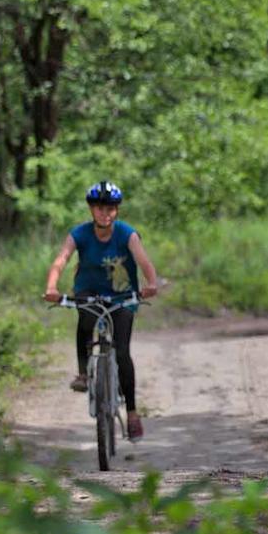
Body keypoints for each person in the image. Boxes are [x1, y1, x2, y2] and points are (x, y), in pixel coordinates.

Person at [43, 181, 159, 441]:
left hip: (122, 295)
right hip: (89, 292)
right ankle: (84, 373)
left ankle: (131, 413)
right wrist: (51, 286)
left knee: (122, 351)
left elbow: (144, 261)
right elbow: (61, 260)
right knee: (85, 318)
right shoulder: (80, 234)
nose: (104, 213)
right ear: (91, 210)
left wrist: (151, 284)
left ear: (116, 211)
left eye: (109, 209)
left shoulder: (127, 234)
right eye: (99, 208)